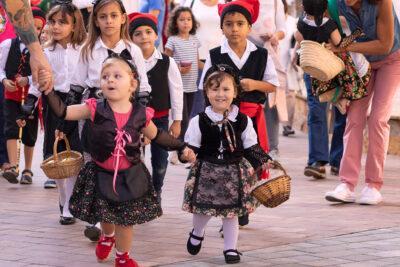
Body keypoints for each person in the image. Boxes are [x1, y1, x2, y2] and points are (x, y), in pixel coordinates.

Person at [45, 54, 195, 267]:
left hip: (130, 176)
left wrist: (181, 146)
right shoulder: (94, 108)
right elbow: (62, 111)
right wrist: (49, 91)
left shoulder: (141, 114)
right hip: (101, 174)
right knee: (106, 214)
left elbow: (158, 136)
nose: (110, 80)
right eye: (105, 77)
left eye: (117, 76)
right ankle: (107, 236)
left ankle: (122, 256)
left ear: (132, 84)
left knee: (125, 220)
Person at [199, 0, 278, 226]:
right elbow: (205, 87)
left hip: (251, 118)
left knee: (250, 162)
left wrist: (254, 84)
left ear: (249, 27)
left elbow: (272, 84)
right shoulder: (215, 55)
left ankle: (245, 205)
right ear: (222, 27)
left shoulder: (261, 55)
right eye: (229, 24)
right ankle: (233, 207)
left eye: (240, 24)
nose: (235, 28)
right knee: (229, 164)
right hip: (225, 121)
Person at [183, 64, 272, 264]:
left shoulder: (242, 120)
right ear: (206, 92)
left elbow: (251, 145)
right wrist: (187, 155)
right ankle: (197, 232)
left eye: (225, 89)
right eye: (214, 89)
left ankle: (230, 248)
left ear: (235, 92)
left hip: (234, 172)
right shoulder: (199, 120)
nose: (220, 94)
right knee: (203, 208)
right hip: (207, 170)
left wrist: (263, 160)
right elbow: (192, 147)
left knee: (231, 213)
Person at [325, 0, 400, 205]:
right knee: (354, 118)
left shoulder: (382, 2)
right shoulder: (335, 4)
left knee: (378, 119)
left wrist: (345, 47)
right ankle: (346, 185)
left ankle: (373, 185)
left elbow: (384, 44)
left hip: (391, 59)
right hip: (362, 62)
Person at [23, 2, 87, 224]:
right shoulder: (45, 52)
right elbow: (37, 79)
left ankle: (70, 201)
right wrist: (30, 102)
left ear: (74, 24)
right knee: (57, 155)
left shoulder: (84, 49)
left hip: (78, 104)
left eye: (63, 22)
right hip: (54, 103)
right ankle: (64, 198)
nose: (56, 26)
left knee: (76, 155)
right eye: (53, 21)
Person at [129, 12, 183, 199]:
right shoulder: (128, 63)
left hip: (160, 119)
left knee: (160, 160)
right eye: (138, 33)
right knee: (135, 158)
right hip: (134, 119)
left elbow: (176, 91)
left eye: (148, 31)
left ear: (156, 35)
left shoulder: (167, 62)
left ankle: (156, 189)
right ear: (131, 38)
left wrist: (177, 120)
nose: (143, 36)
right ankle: (138, 192)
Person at [297, 0, 371, 115]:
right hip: (331, 61)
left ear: (303, 7)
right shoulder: (328, 24)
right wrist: (355, 34)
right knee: (361, 73)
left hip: (316, 62)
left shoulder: (301, 23)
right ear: (326, 8)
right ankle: (345, 98)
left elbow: (299, 36)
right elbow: (339, 43)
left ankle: (335, 100)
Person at [0, 7, 46, 184]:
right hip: (11, 95)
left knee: (29, 132)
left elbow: (43, 73)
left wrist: (28, 79)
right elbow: (1, 68)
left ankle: (27, 169)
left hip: (31, 98)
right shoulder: (6, 45)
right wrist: (4, 80)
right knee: (11, 129)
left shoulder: (42, 50)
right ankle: (13, 166)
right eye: (30, 26)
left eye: (38, 27)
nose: (34, 30)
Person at [249, 0, 287, 159]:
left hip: (268, 53)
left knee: (271, 101)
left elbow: (282, 30)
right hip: (246, 51)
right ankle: (250, 144)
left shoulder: (276, 2)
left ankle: (273, 147)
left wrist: (274, 36)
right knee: (249, 99)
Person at [165, 6, 201, 164]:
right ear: (175, 22)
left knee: (189, 118)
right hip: (178, 87)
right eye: (182, 20)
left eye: (188, 19)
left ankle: (181, 150)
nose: (186, 23)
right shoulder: (172, 40)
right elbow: (166, 63)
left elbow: (198, 61)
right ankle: (175, 151)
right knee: (182, 119)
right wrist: (178, 69)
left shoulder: (195, 40)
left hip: (192, 86)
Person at [180, 0, 225, 118]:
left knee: (219, 104)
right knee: (196, 106)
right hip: (195, 61)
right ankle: (193, 135)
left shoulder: (226, 2)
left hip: (221, 60)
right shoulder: (189, 3)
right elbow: (180, 32)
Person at [1, 0, 54, 92]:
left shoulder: (44, 50)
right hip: (8, 95)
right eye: (32, 26)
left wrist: (36, 53)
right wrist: (4, 79)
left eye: (39, 28)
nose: (36, 31)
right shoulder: (8, 44)